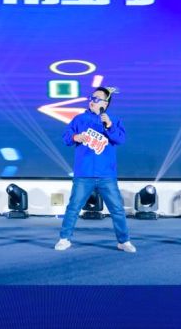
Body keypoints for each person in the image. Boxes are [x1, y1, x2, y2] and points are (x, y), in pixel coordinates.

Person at [55, 86, 136, 253]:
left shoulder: (113, 120)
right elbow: (66, 137)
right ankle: (64, 239)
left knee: (117, 209)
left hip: (106, 174)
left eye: (97, 99)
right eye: (92, 98)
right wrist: (75, 137)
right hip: (83, 173)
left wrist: (109, 126)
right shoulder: (79, 119)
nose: (92, 101)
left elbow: (120, 139)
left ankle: (124, 241)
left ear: (105, 103)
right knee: (73, 208)